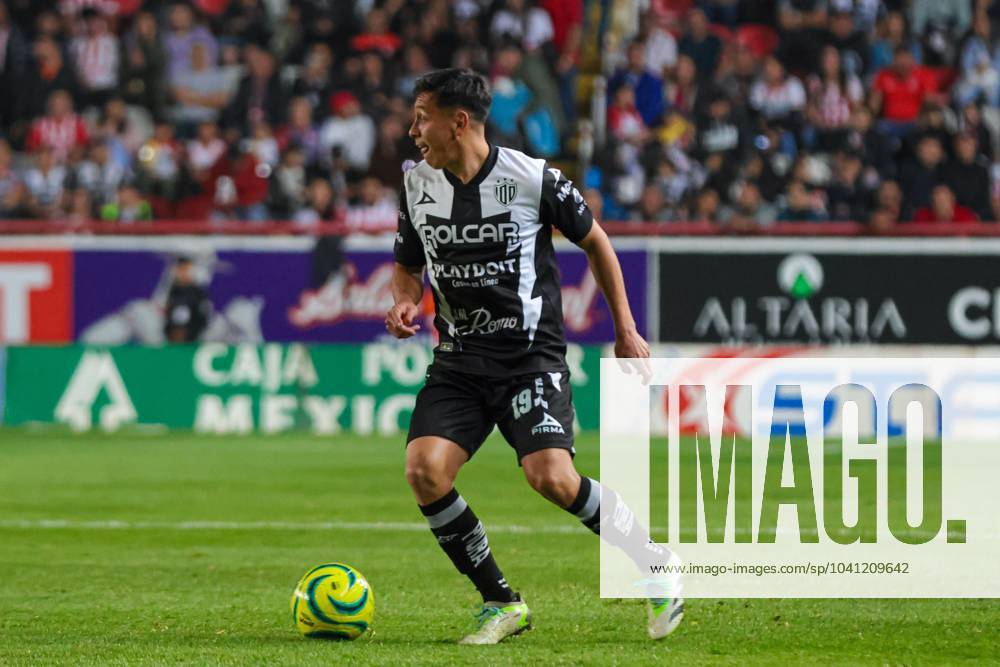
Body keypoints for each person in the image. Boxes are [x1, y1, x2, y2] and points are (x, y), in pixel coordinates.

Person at [386, 69, 681, 645]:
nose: (414, 129)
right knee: (425, 470)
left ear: (459, 121)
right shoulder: (417, 185)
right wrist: (402, 304)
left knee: (551, 478)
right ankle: (501, 603)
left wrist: (626, 328)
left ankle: (654, 561)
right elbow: (407, 263)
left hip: (528, 358)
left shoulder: (531, 178)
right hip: (459, 360)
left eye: (423, 116)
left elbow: (596, 240)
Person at [164, 256, 212, 342]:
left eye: (185, 269)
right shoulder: (169, 290)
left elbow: (203, 317)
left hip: (194, 337)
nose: (182, 273)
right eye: (180, 269)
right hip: (169, 338)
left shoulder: (197, 292)